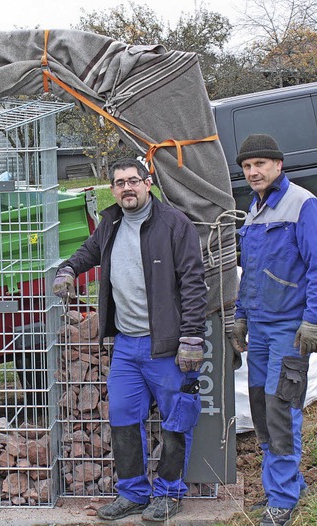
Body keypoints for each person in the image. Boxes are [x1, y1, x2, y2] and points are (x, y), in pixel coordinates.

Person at [53, 158, 207, 522]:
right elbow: (88, 252)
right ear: (113, 189)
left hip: (166, 345)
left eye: (133, 181)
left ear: (148, 182)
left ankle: (169, 494)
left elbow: (194, 283)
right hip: (126, 344)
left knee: (175, 420)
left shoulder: (173, 224)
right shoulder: (111, 223)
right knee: (122, 417)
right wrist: (68, 269)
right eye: (120, 182)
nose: (127, 188)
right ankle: (133, 493)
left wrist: (192, 338)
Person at [229, 134, 317, 526]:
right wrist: (242, 316)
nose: (253, 172)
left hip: (289, 329)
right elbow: (249, 273)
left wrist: (312, 320)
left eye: (260, 164)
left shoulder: (302, 205)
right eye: (247, 167)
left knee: (282, 410)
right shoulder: (254, 210)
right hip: (261, 327)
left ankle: (281, 499)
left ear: (278, 165)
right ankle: (289, 485)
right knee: (263, 409)